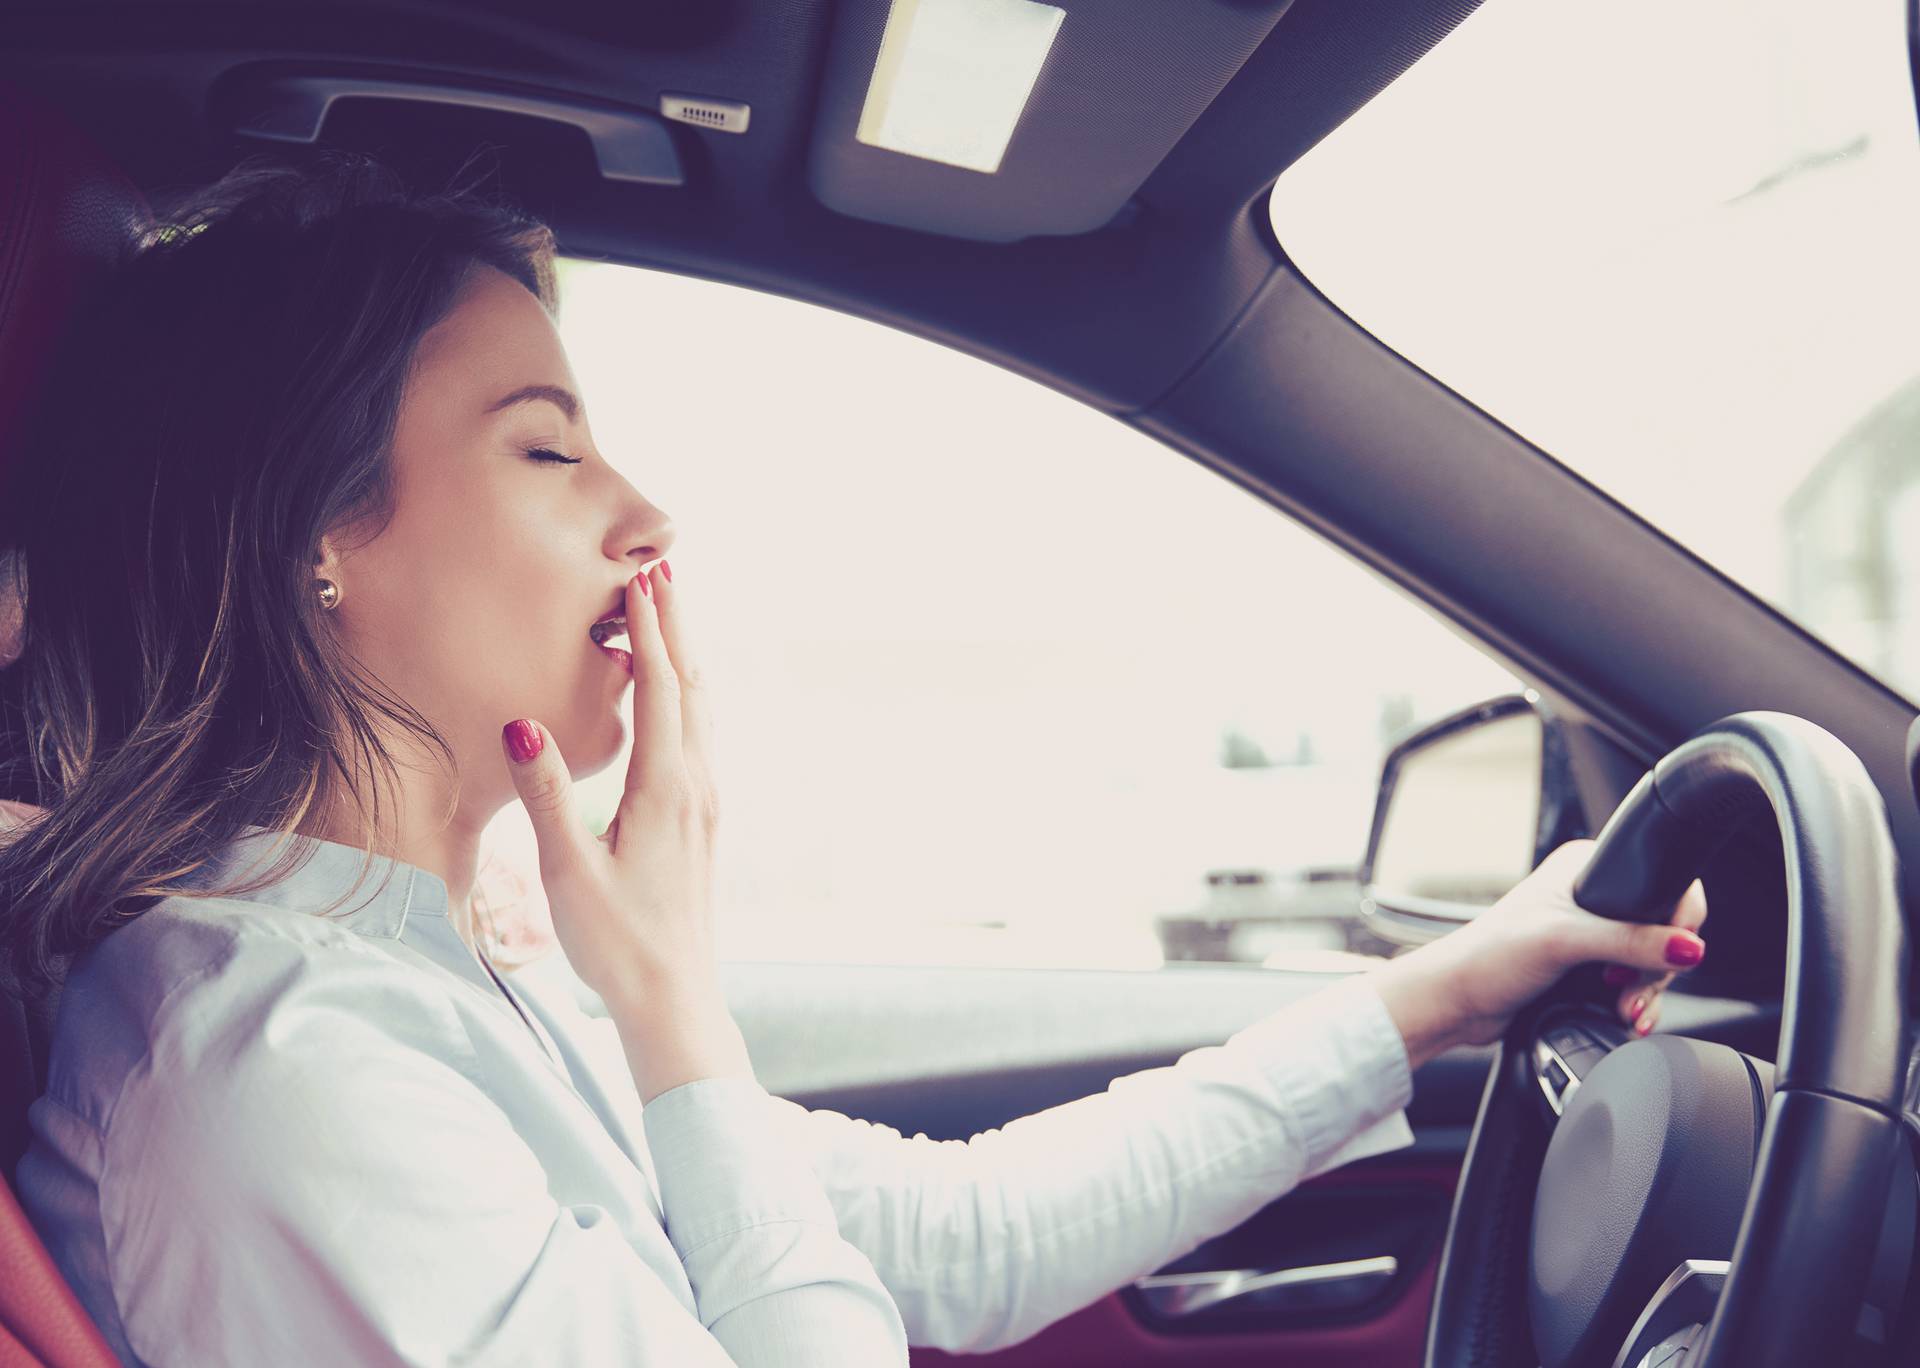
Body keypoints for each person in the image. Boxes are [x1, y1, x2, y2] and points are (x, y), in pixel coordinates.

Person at [0, 153, 1706, 1367]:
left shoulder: (418, 977)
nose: (647, 516)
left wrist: (1437, 996)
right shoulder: (277, 1071)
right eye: (546, 447)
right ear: (316, 539)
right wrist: (675, 1014)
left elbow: (961, 1236)